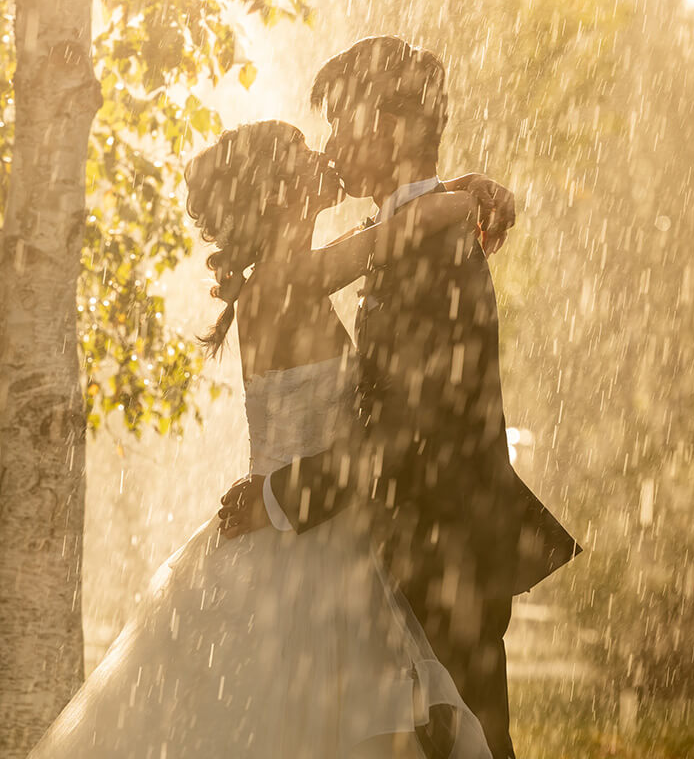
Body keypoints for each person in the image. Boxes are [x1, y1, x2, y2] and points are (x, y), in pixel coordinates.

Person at [29, 119, 507, 758]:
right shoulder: (285, 281)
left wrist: (450, 189)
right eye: (302, 152)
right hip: (295, 548)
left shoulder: (291, 274)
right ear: (279, 192)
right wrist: (466, 197)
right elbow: (391, 235)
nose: (323, 154)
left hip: (308, 527)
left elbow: (379, 236)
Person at [217, 37, 581, 759]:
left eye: (339, 123)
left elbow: (400, 432)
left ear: (389, 129)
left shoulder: (432, 248)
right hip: (426, 559)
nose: (331, 145)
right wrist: (461, 190)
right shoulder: (417, 236)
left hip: (438, 563)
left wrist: (280, 497)